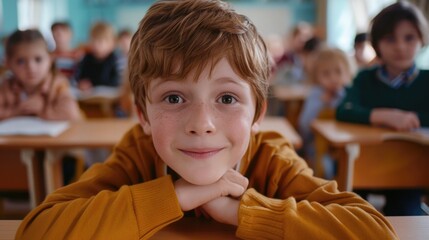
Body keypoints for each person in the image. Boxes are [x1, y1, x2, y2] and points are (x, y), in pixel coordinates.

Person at [16, 1, 397, 239]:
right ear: (143, 115)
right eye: (174, 97)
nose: (202, 123)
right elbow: (38, 231)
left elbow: (373, 231)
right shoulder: (137, 152)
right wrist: (177, 196)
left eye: (227, 98)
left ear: (257, 115)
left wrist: (241, 211)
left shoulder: (270, 158)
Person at [336, 1, 429, 216]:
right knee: (354, 216)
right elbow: (344, 110)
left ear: (421, 39)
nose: (400, 46)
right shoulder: (365, 78)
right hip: (365, 167)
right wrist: (384, 116)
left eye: (409, 38)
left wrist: (412, 117)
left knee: (406, 215)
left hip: (409, 173)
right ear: (377, 43)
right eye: (390, 39)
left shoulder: (426, 81)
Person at [0, 29, 82, 121]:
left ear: (50, 59)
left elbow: (73, 115)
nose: (31, 67)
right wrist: (16, 111)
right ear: (8, 64)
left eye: (38, 59)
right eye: (21, 61)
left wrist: (42, 110)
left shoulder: (58, 85)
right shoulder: (6, 86)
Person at [298, 47, 356, 178]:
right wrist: (321, 103)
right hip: (319, 147)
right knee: (326, 167)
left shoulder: (349, 94)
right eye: (326, 74)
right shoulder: (315, 95)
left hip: (345, 147)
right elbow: (304, 125)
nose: (333, 78)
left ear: (348, 73)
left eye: (338, 72)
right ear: (316, 77)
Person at [75, 21, 123, 92]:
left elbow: (117, 82)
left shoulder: (116, 60)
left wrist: (93, 84)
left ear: (112, 43)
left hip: (110, 99)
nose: (96, 44)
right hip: (88, 98)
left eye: (100, 41)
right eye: (93, 40)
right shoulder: (86, 59)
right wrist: (81, 84)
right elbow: (78, 78)